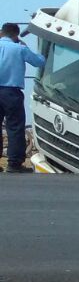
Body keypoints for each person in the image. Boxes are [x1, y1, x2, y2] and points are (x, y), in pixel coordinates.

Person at [0, 22, 45, 173]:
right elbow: (39, 62)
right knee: (15, 128)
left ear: (2, 33)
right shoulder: (20, 48)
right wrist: (24, 45)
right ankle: (14, 164)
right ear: (16, 35)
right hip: (11, 92)